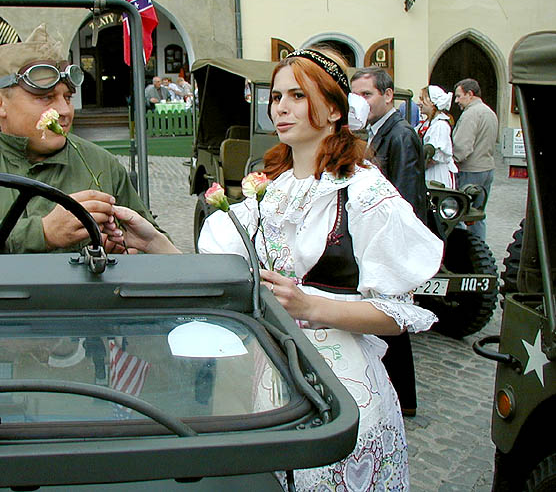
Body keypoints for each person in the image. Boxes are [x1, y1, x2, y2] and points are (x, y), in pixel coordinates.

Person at [110, 49, 443, 490]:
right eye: (276, 96)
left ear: (334, 110)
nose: (280, 107)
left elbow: (397, 315)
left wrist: (312, 306)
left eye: (298, 96)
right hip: (267, 384)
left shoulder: (364, 192)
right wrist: (154, 244)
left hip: (342, 396)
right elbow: (224, 277)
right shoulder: (275, 191)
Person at [0, 24, 157, 253]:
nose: (65, 111)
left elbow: (152, 241)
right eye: (46, 97)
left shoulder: (101, 165)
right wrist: (42, 233)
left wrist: (126, 249)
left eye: (68, 97)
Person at [350, 66, 428, 419]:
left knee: (393, 324)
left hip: (390, 243)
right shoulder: (377, 132)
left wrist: (394, 251)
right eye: (356, 95)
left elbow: (406, 195)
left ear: (387, 95)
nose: (361, 102)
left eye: (367, 94)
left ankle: (403, 399)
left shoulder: (400, 134)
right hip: (378, 239)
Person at [452, 78, 498, 241]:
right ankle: (479, 248)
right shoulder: (489, 112)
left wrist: (451, 161)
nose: (457, 101)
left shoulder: (471, 114)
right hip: (487, 168)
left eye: (459, 96)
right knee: (478, 217)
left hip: (470, 171)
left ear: (470, 94)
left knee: (462, 215)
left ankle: (467, 253)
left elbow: (462, 147)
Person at [417, 85, 457, 189]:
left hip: (437, 174)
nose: (419, 103)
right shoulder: (428, 123)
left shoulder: (440, 126)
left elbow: (434, 158)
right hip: (429, 172)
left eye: (422, 99)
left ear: (432, 102)